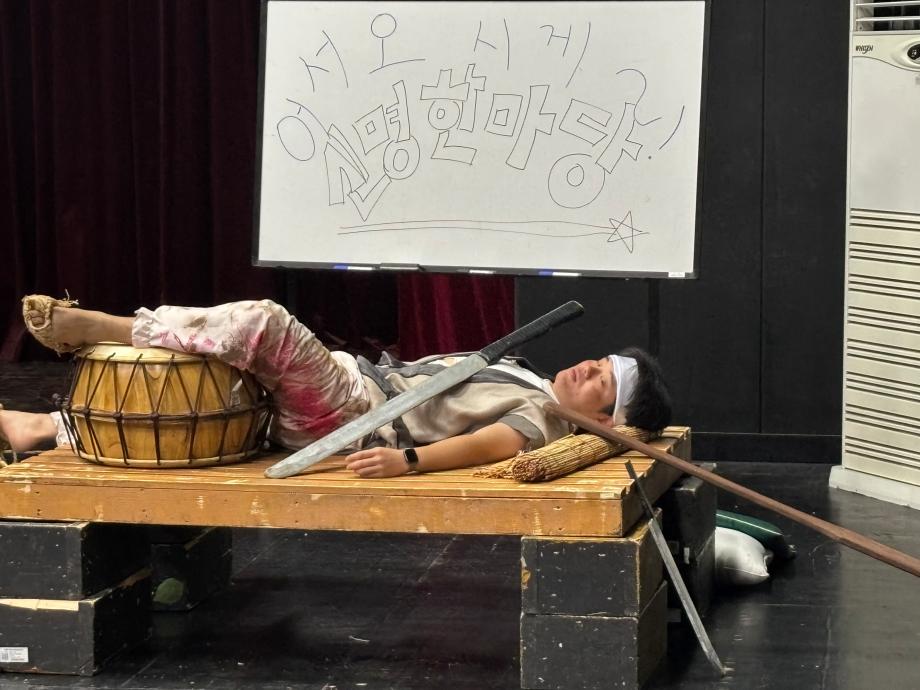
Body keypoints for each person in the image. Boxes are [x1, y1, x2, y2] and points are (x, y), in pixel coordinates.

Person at [5, 295, 671, 478]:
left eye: (601, 384)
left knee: (264, 324)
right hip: (351, 381)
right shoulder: (526, 371)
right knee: (216, 372)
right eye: (597, 362)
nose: (586, 370)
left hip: (351, 416)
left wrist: (408, 460)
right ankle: (43, 428)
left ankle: (104, 326)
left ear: (603, 420)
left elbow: (496, 445)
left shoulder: (543, 415)